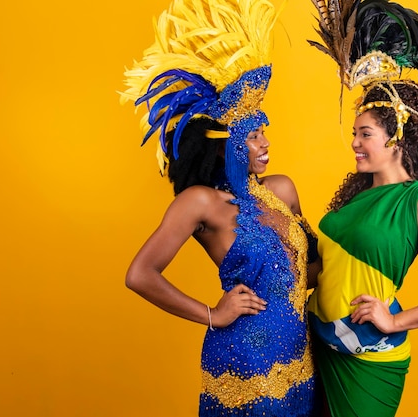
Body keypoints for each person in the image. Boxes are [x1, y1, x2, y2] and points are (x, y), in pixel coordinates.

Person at [120, 1, 319, 416]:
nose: (265, 144)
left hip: (300, 357)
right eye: (253, 134)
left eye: (265, 132)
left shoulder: (281, 189)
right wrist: (213, 313)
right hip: (243, 365)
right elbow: (139, 275)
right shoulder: (200, 202)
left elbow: (311, 272)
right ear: (226, 141)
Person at [305, 0, 418, 416]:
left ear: (396, 137)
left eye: (364, 133)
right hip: (316, 341)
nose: (354, 143)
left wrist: (394, 320)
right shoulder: (354, 193)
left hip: (367, 357)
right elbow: (327, 267)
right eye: (354, 133)